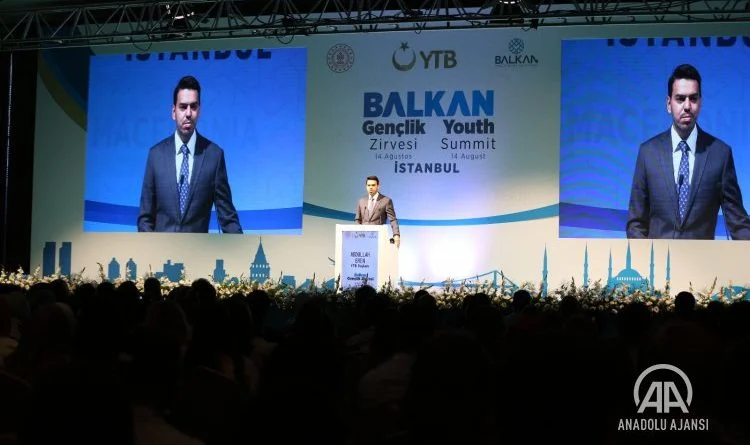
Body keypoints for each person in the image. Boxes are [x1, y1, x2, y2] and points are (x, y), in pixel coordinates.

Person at [626, 64, 750, 240]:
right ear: (668, 104)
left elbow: (738, 224)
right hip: (658, 257)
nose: (687, 106)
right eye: (680, 98)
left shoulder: (720, 155)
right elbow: (636, 224)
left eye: (693, 98)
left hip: (702, 258)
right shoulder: (648, 153)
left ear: (700, 103)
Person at [138, 75, 242, 233]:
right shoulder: (156, 155)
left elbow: (228, 218)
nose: (188, 113)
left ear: (199, 111)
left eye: (193, 107)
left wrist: (242, 246)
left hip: (197, 249)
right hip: (161, 249)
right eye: (183, 107)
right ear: (173, 112)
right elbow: (145, 218)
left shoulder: (214, 156)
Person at [355, 176, 400, 247]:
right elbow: (357, 220)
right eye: (368, 185)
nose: (370, 187)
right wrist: (357, 234)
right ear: (366, 186)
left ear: (378, 186)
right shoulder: (361, 201)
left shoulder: (386, 200)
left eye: (373, 185)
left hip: (379, 238)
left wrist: (396, 235)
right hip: (363, 238)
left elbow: (393, 220)